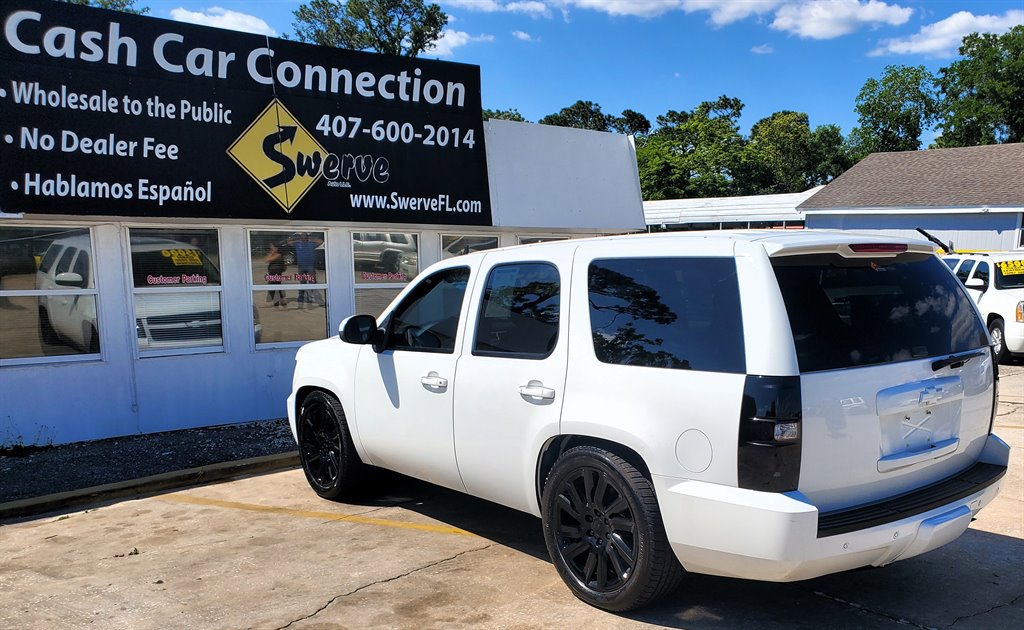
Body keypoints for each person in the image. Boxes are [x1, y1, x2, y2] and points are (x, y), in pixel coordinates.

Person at [288, 233, 324, 307]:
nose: (304, 239)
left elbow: (320, 241)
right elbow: (289, 242)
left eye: (305, 238)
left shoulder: (311, 244)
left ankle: (319, 300)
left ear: (307, 238)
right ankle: (301, 298)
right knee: (302, 283)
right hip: (301, 267)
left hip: (310, 266)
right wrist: (297, 239)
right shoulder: (298, 244)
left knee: (313, 283)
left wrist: (311, 238)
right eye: (302, 238)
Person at [265, 242, 287, 307]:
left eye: (272, 247)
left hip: (277, 273)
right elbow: (266, 260)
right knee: (274, 287)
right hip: (271, 273)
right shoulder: (272, 254)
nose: (271, 248)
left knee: (275, 287)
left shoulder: (278, 255)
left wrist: (272, 253)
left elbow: (269, 259)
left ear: (276, 248)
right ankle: (279, 301)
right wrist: (271, 253)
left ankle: (280, 301)